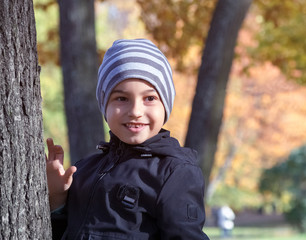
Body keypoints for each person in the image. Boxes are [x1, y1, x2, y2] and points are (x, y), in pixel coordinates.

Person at [46, 39, 209, 240]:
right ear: (104, 104)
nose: (135, 111)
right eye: (121, 99)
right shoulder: (84, 171)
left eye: (149, 98)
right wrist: (57, 199)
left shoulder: (174, 173)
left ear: (165, 105)